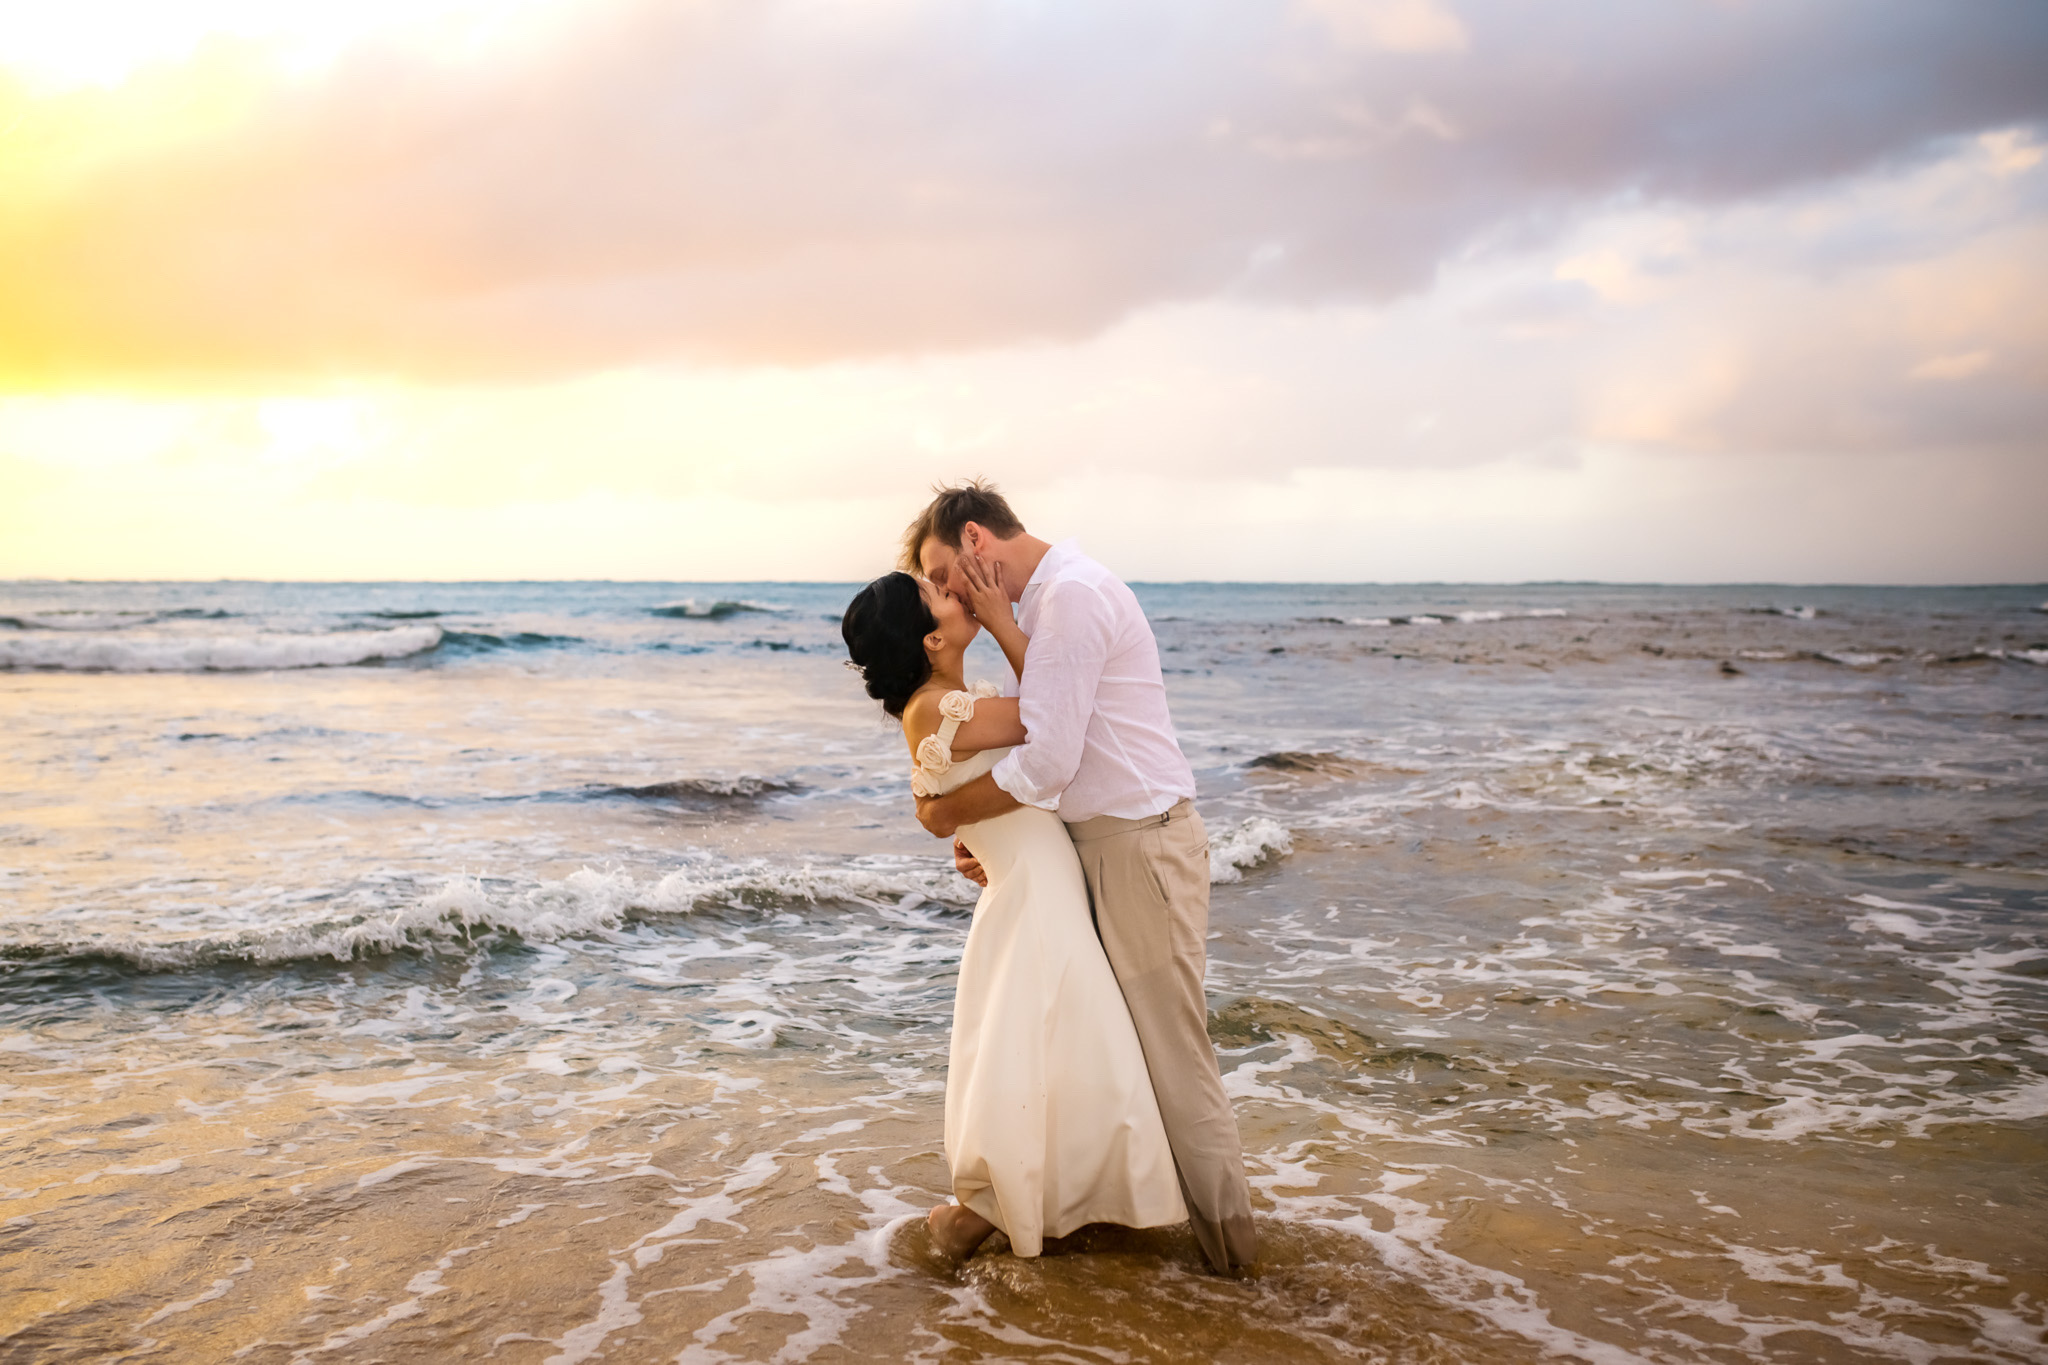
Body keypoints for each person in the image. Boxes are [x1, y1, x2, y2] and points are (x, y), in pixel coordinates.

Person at [903, 480, 1259, 1275]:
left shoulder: (1068, 598)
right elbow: (1063, 738)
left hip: (1138, 846)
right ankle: (1071, 1220)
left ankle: (1239, 1271)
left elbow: (1052, 756)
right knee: (1101, 1052)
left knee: (1174, 1061)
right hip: (1097, 845)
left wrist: (949, 809)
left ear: (975, 541)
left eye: (942, 571)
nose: (944, 592)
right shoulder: (1041, 609)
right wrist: (994, 835)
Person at [841, 570, 1185, 1260]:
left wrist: (946, 815)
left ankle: (1060, 1204)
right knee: (1060, 1043)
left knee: (1069, 1045)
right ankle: (989, 1212)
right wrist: (1004, 622)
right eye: (937, 594)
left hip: (1039, 884)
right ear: (933, 637)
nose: (952, 589)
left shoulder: (953, 700)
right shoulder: (932, 708)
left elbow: (1033, 741)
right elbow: (1050, 716)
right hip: (1031, 892)